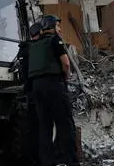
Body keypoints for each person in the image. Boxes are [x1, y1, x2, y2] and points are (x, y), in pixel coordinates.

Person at [28, 14, 80, 166]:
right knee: (65, 124)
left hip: (37, 87)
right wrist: (67, 75)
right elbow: (66, 64)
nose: (60, 28)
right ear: (51, 27)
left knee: (45, 127)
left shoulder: (34, 45)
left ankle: (47, 162)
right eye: (58, 25)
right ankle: (71, 161)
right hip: (53, 85)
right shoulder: (54, 40)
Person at [14, 22, 43, 165]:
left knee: (30, 128)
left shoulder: (22, 51)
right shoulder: (35, 50)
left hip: (27, 91)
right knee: (37, 128)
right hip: (35, 92)